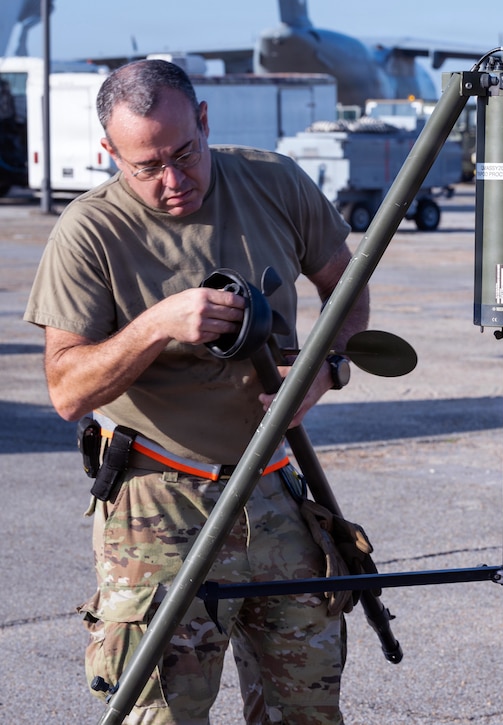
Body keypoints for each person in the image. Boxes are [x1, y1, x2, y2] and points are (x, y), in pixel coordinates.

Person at [23, 59, 369, 724]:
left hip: (274, 490)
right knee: (163, 711)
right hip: (158, 503)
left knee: (310, 704)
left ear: (205, 121)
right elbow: (67, 390)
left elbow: (346, 290)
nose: (173, 181)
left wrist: (325, 369)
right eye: (145, 166)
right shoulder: (89, 231)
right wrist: (156, 326)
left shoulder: (272, 182)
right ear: (110, 153)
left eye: (184, 153)